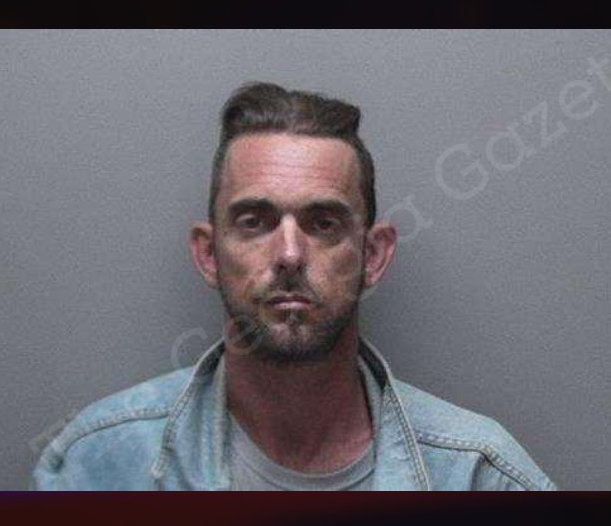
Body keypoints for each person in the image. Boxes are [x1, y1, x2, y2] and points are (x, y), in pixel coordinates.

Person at [31, 82, 556, 491]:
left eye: (323, 223)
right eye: (255, 222)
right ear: (209, 254)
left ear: (373, 256)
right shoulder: (100, 466)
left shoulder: (476, 476)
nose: (288, 255)